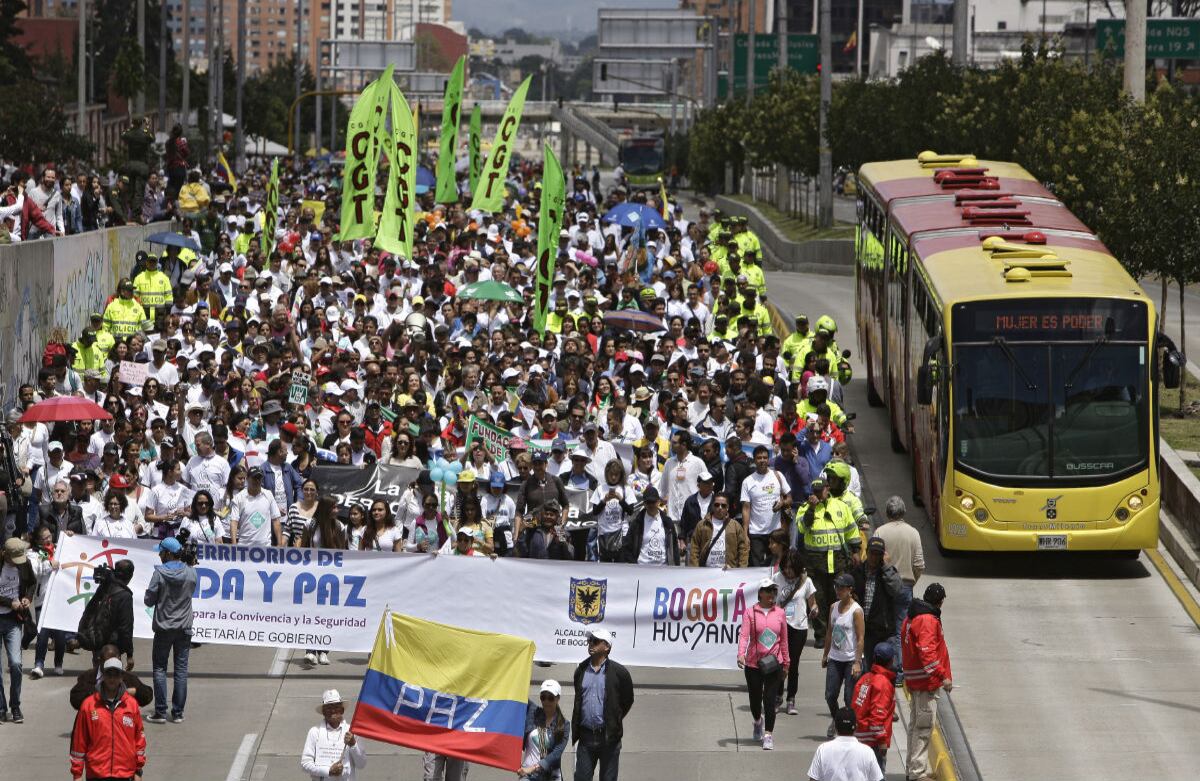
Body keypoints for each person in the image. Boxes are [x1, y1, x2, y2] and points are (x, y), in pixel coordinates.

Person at [143, 536, 196, 724]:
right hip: (184, 628)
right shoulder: (191, 572)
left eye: (161, 551)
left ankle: (160, 711)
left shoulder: (159, 573)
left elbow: (148, 600)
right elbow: (191, 591)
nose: (159, 555)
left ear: (167, 553)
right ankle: (178, 712)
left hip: (164, 627)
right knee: (181, 670)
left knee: (160, 668)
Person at [872, 495, 924, 685]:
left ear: (887, 513)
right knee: (902, 629)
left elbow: (873, 560)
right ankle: (901, 671)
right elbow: (919, 564)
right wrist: (911, 581)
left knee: (885, 628)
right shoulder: (913, 533)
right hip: (905, 587)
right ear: (904, 512)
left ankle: (887, 667)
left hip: (884, 586)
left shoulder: (879, 531)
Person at [903, 583, 952, 781]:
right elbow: (927, 653)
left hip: (915, 680)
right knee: (923, 727)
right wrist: (943, 676)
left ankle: (912, 769)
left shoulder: (912, 616)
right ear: (939, 602)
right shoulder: (926, 620)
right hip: (925, 683)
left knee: (915, 725)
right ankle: (917, 773)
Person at [70, 657, 148, 781]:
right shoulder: (88, 705)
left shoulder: (132, 705)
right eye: (109, 674)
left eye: (116, 674)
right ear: (103, 676)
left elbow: (139, 739)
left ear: (122, 676)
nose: (112, 679)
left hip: (125, 774)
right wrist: (77, 774)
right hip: (97, 774)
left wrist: (138, 770)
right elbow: (79, 741)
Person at [571, 628, 634, 781]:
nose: (590, 644)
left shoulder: (619, 673)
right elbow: (579, 701)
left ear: (607, 647)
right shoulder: (581, 670)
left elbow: (627, 700)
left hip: (609, 739)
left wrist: (614, 719)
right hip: (585, 738)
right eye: (589, 640)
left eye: (595, 641)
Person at [737, 577, 789, 750]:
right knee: (755, 699)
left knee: (770, 700)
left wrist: (787, 662)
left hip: (774, 663)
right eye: (767, 591)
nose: (771, 595)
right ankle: (758, 721)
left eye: (773, 591)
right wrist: (741, 654)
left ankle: (768, 735)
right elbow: (744, 636)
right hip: (754, 664)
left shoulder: (780, 613)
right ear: (760, 593)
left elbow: (784, 641)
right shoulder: (750, 613)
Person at [772, 548, 817, 715]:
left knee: (792, 664)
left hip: (798, 627)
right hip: (779, 626)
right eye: (785, 568)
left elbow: (813, 603)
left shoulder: (806, 581)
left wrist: (814, 609)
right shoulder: (777, 578)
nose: (787, 572)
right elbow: (770, 599)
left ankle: (791, 698)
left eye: (791, 568)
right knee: (779, 662)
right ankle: (777, 696)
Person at [822, 572, 864, 738]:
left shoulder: (856, 611)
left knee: (848, 698)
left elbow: (860, 639)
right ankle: (836, 719)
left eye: (842, 588)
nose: (838, 590)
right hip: (835, 658)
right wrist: (826, 654)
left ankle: (849, 728)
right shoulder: (833, 607)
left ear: (850, 590)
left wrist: (857, 662)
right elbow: (829, 633)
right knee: (830, 695)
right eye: (837, 587)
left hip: (850, 660)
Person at [0, 537, 36, 723]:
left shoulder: (24, 563)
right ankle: (1, 707)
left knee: (15, 664)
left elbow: (32, 582)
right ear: (6, 555)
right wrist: (9, 602)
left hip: (14, 621)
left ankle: (15, 706)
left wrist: (27, 598)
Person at [850, 536, 902, 663]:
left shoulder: (887, 572)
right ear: (867, 552)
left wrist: (887, 567)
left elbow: (896, 590)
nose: (874, 557)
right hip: (863, 629)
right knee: (865, 668)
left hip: (882, 630)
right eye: (872, 553)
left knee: (884, 669)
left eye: (878, 554)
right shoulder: (857, 572)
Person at [851, 642, 897, 776]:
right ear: (890, 661)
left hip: (859, 736)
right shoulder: (882, 683)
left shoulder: (865, 678)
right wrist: (882, 741)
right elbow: (877, 715)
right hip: (872, 741)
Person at [740, 445, 790, 566]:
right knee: (757, 567)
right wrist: (745, 533)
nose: (762, 460)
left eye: (765, 457)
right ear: (754, 459)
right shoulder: (748, 481)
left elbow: (789, 498)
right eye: (759, 458)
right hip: (756, 532)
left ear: (768, 459)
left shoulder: (778, 476)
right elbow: (746, 509)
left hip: (776, 532)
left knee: (776, 565)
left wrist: (782, 503)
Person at [301, 689, 366, 780]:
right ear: (323, 712)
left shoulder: (352, 732)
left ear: (342, 710)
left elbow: (361, 764)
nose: (333, 711)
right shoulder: (315, 732)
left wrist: (353, 744)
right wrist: (328, 771)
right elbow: (305, 764)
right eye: (329, 708)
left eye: (336, 707)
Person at [806, 707, 884, 781]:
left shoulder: (822, 749)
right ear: (856, 727)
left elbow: (813, 779)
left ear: (835, 727)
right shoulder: (867, 752)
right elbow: (877, 779)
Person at [70, 643, 154, 710]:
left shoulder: (128, 678)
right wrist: (98, 694)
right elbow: (75, 700)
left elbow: (147, 696)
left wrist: (133, 692)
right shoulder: (87, 677)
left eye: (115, 662)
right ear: (100, 661)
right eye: (108, 663)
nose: (112, 678)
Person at [520, 679, 571, 780]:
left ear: (558, 698)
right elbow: (518, 693)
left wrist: (533, 768)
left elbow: (556, 753)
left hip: (550, 776)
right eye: (543, 697)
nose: (546, 701)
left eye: (550, 698)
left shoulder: (564, 724)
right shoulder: (533, 711)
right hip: (528, 775)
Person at [687, 491, 749, 568]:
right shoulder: (702, 524)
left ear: (727, 507)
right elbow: (694, 548)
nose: (720, 508)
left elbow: (743, 550)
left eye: (723, 505)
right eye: (717, 505)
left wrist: (741, 570)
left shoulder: (735, 526)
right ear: (712, 506)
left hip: (728, 572)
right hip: (706, 572)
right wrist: (695, 569)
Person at [229, 466, 283, 545]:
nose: (257, 481)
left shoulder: (268, 495)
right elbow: (234, 522)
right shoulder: (238, 498)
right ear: (247, 479)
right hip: (244, 547)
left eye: (259, 478)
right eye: (254, 478)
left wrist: (279, 544)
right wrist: (234, 544)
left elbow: (276, 520)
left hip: (265, 547)